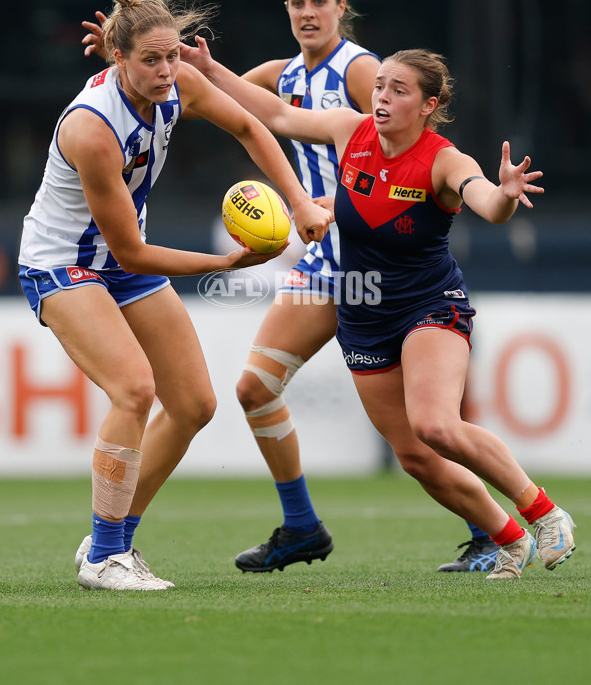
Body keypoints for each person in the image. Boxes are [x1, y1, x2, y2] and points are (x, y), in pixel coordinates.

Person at [84, 0, 498, 574]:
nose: (307, 12)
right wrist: (128, 61)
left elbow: (417, 143)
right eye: (296, 2)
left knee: (422, 436)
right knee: (254, 388)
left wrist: (438, 206)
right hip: (321, 264)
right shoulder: (285, 75)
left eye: (318, 2)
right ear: (286, 9)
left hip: (375, 268)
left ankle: (492, 527)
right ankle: (302, 525)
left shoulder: (361, 73)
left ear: (341, 7)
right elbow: (213, 105)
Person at [181, 39, 577, 580]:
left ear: (428, 105)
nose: (382, 97)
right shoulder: (351, 130)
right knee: (415, 457)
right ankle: (509, 540)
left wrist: (505, 192)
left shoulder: (443, 159)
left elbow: (488, 204)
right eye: (380, 86)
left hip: (429, 305)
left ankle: (545, 514)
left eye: (398, 90)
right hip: (362, 313)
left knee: (436, 424)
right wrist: (208, 68)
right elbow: (273, 112)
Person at [18, 0, 330, 592]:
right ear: (118, 57)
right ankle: (105, 557)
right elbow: (131, 252)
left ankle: (113, 540)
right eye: (151, 61)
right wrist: (220, 265)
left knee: (193, 404)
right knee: (134, 389)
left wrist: (297, 201)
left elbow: (249, 124)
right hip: (63, 264)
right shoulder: (92, 129)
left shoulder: (175, 84)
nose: (166, 72)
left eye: (171, 58)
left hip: (117, 264)